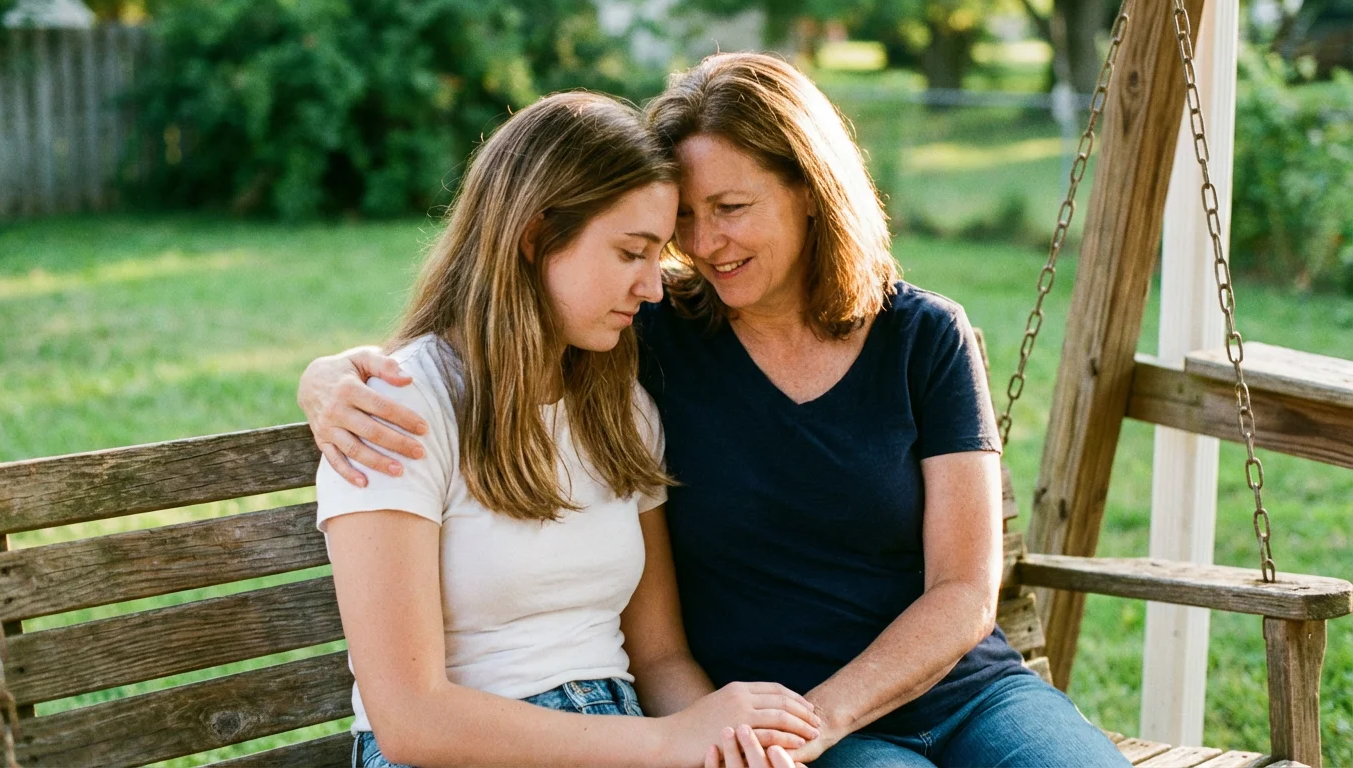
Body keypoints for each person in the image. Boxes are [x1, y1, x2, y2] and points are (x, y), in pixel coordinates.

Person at [302, 54, 1131, 767]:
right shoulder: (651, 340)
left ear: (810, 191)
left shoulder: (913, 337)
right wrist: (330, 381)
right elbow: (489, 338)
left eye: (730, 209)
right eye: (678, 227)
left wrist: (785, 722)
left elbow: (960, 588)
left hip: (935, 693)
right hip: (763, 712)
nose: (695, 251)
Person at [313, 90, 821, 768]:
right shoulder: (398, 411)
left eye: (657, 254)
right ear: (534, 237)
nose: (653, 288)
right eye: (630, 253)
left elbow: (660, 654)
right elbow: (409, 718)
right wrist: (666, 742)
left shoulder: (621, 411)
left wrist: (721, 737)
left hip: (618, 732)